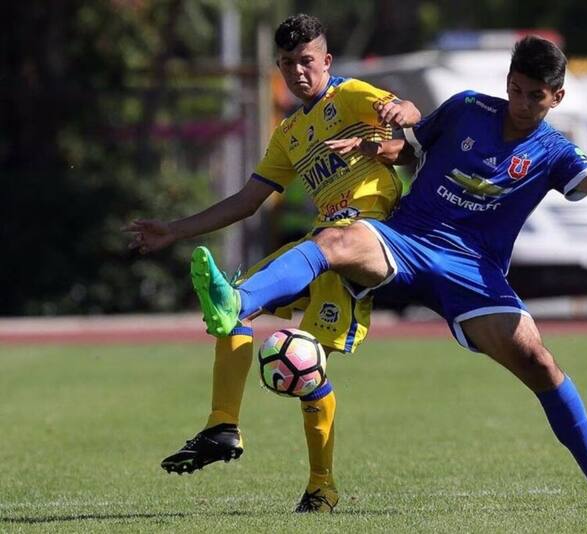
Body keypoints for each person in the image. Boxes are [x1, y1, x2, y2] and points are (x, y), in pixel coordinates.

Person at [193, 36, 587, 509]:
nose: (521, 102)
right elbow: (417, 147)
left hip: (473, 271)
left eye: (535, 96)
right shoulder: (468, 107)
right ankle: (238, 302)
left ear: (557, 96)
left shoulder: (552, 151)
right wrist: (379, 150)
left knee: (540, 364)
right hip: (405, 240)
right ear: (507, 81)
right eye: (515, 89)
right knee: (337, 238)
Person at [124, 14, 421, 513]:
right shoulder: (289, 132)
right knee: (235, 303)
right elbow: (245, 201)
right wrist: (173, 230)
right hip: (320, 243)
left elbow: (410, 122)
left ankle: (322, 486)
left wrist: (396, 111)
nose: (298, 72)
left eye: (307, 61)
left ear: (326, 60)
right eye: (287, 64)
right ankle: (222, 426)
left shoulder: (350, 97)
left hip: (363, 240)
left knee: (305, 361)